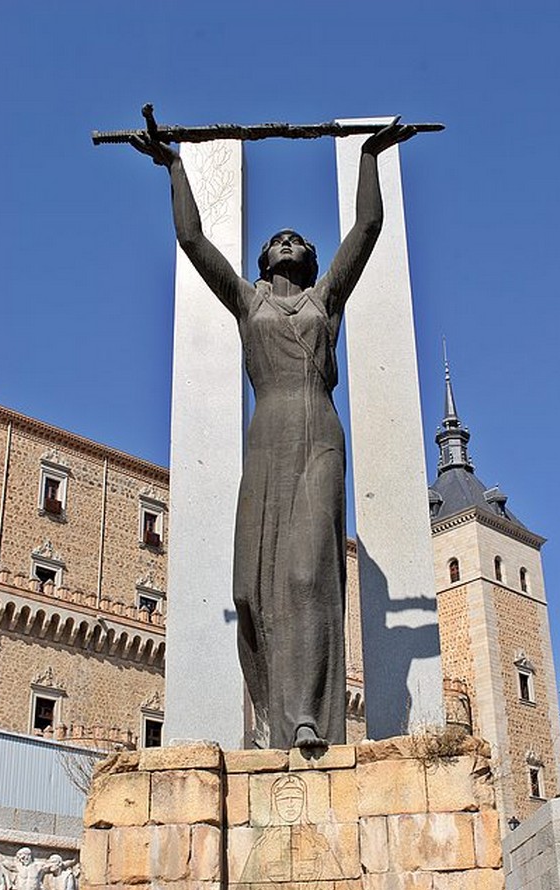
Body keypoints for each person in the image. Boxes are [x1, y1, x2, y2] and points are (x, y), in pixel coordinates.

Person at [131, 119, 416, 752]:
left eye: (297, 239)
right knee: (250, 588)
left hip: (317, 432)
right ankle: (270, 717)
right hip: (266, 437)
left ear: (310, 261)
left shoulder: (325, 303)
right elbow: (191, 237)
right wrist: (173, 167)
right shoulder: (247, 302)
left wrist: (368, 155)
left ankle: (309, 717)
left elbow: (366, 228)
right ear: (264, 261)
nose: (287, 241)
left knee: (309, 576)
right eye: (277, 239)